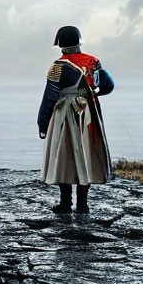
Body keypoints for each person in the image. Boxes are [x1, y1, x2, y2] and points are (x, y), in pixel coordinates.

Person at [37, 25, 114, 213]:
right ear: (79, 42)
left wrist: (42, 123)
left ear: (60, 45)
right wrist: (92, 94)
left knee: (64, 156)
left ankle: (65, 203)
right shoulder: (93, 62)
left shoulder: (58, 66)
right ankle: (82, 204)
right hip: (88, 114)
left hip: (64, 114)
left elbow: (49, 97)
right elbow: (108, 85)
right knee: (86, 154)